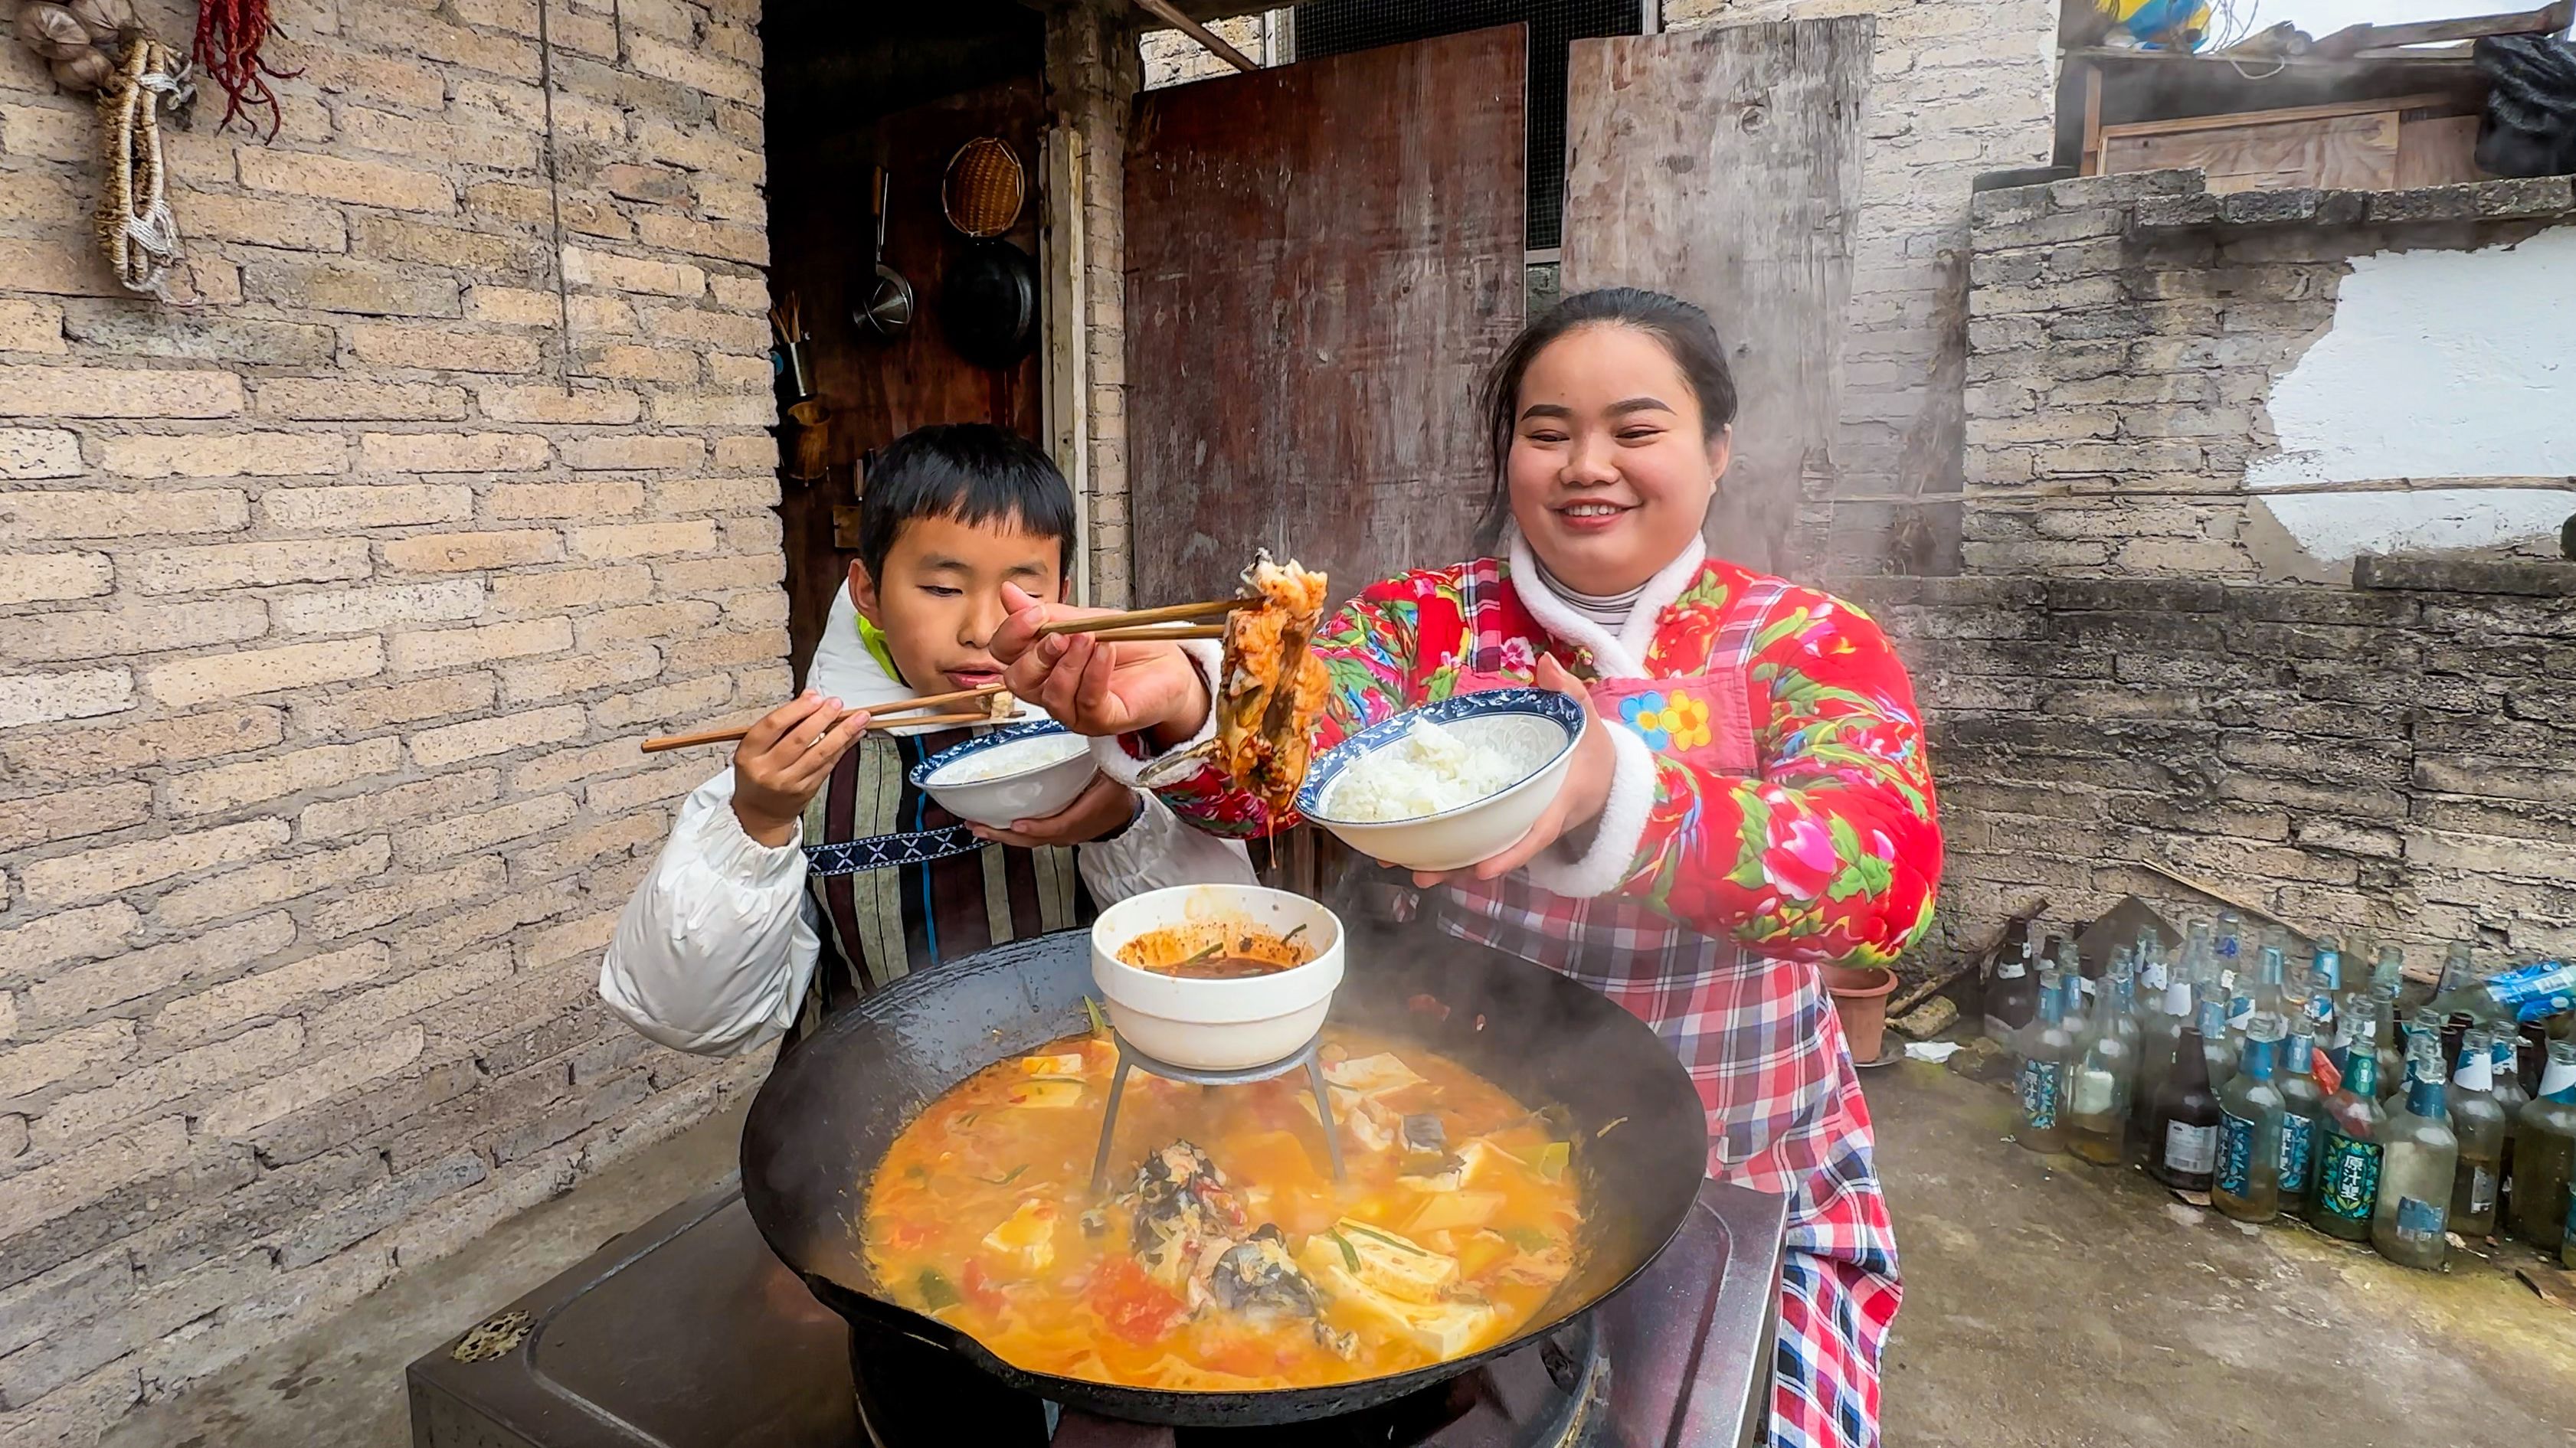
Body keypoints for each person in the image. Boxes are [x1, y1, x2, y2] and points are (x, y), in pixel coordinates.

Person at [992, 289, 1940, 1448]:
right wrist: (1188, 697)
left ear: (1716, 447)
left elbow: (1883, 882)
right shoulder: (1426, 625)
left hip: (1731, 1159)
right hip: (1447, 1138)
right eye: (1546, 431)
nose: (1586, 464)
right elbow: (1288, 748)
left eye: (1634, 429)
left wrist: (1613, 790)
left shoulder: (1800, 640)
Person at [600, 424, 1252, 1055]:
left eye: (1023, 592)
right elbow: (692, 1019)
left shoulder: (1114, 746)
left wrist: (1124, 823)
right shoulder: (800, 769)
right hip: (881, 1103)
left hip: (1093, 1091)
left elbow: (1221, 951)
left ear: (1061, 595)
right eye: (941, 587)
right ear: (868, 593)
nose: (979, 629)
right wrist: (757, 825)